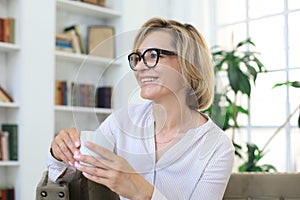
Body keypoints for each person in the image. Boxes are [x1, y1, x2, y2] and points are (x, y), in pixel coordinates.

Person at [48, 17, 234, 200]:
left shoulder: (218, 148)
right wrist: (60, 153)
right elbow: (73, 173)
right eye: (137, 58)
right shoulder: (122, 121)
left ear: (189, 65)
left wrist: (142, 193)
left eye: (153, 55)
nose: (139, 67)